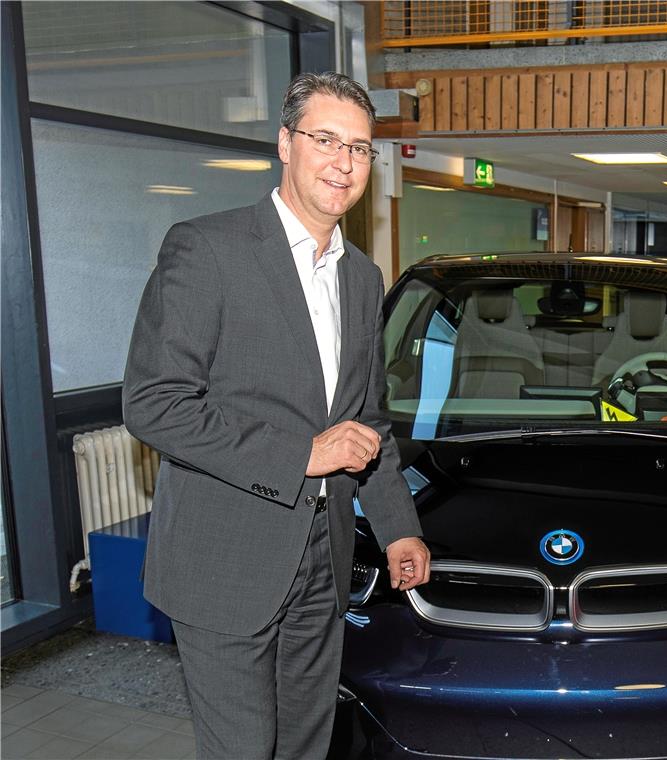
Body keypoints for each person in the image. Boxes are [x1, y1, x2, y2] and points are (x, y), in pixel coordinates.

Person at [123, 72, 430, 760]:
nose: (344, 163)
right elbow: (154, 403)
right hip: (225, 558)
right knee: (243, 749)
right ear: (286, 144)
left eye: (360, 148)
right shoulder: (209, 250)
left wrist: (397, 529)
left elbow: (366, 422)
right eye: (326, 140)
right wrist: (300, 453)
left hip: (324, 558)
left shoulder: (360, 277)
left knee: (303, 744)